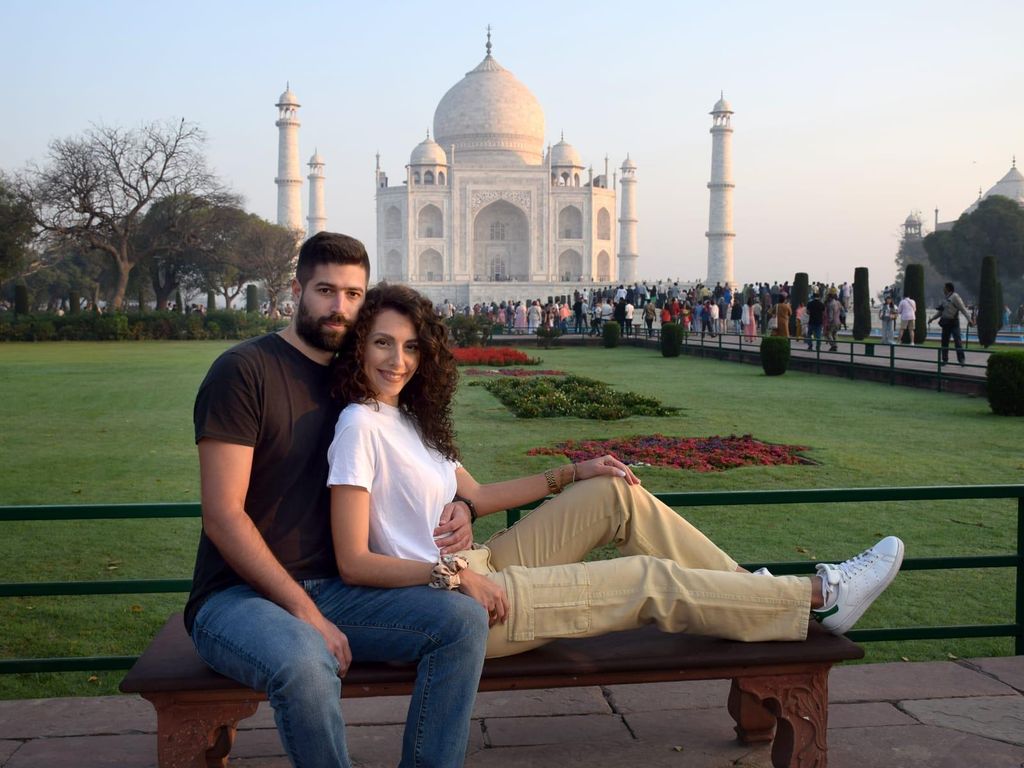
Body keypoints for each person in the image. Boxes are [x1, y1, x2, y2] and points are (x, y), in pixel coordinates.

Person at [326, 282, 905, 666]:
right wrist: (453, 578)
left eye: (408, 346)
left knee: (611, 492)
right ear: (361, 348)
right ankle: (814, 597)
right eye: (381, 343)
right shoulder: (359, 425)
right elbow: (353, 560)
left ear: (425, 354)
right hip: (464, 603)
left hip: (479, 563)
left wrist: (575, 471)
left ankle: (752, 591)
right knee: (646, 580)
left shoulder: (405, 418)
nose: (395, 360)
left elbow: (475, 495)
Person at [186, 234, 487, 768]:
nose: (339, 307)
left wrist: (460, 504)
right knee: (305, 661)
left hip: (339, 588)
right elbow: (222, 515)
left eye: (353, 294)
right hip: (239, 597)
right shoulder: (245, 371)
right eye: (326, 290)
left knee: (461, 623)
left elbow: (416, 462)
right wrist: (305, 612)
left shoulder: (354, 379)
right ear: (296, 289)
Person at [929, 281, 973, 365]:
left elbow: (963, 309)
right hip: (946, 323)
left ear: (948, 288)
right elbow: (941, 312)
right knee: (944, 342)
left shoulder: (955, 297)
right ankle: (944, 360)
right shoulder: (945, 299)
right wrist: (932, 319)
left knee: (957, 341)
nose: (943, 289)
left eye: (944, 287)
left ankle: (961, 360)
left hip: (954, 323)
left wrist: (969, 320)